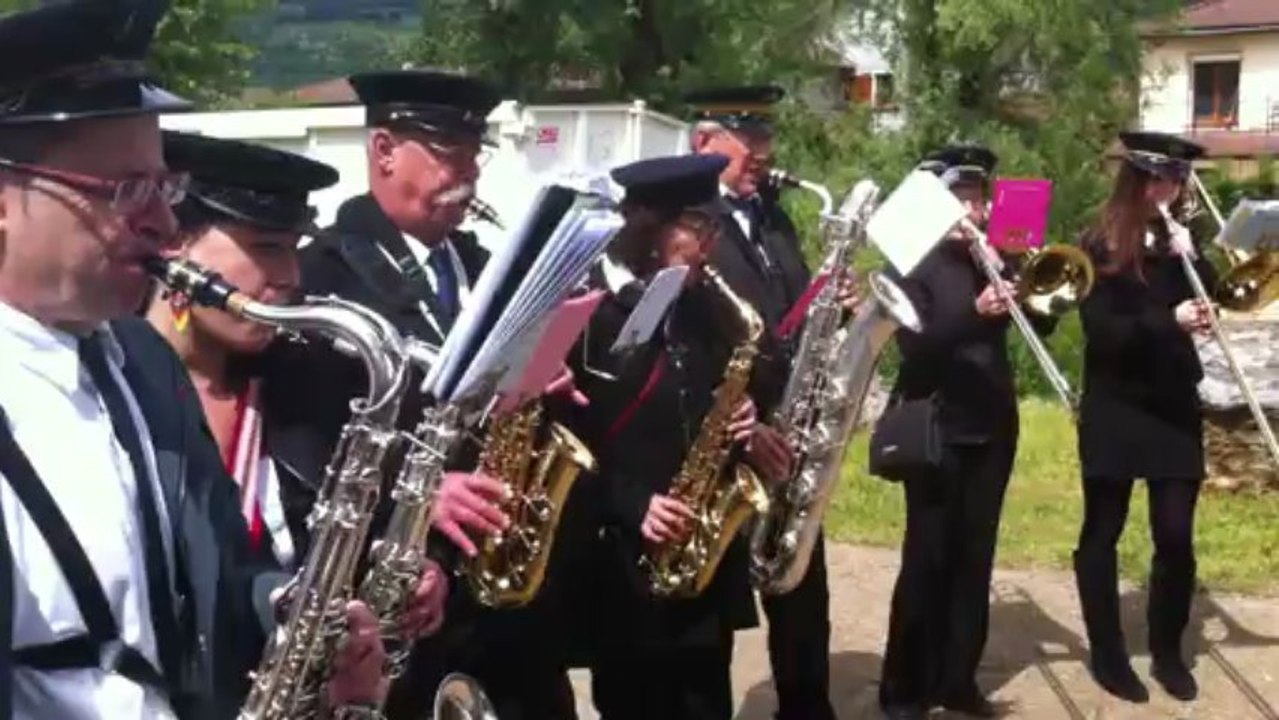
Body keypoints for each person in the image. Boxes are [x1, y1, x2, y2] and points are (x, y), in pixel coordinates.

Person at [0, 2, 387, 718]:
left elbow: (213, 569)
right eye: (125, 191)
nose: (163, 223)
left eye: (163, 187)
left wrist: (288, 611)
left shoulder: (140, 356)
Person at [259, 70, 581, 719]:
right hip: (404, 600)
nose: (469, 173)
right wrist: (417, 497)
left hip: (498, 595)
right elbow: (301, 447)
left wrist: (536, 376)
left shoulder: (484, 265)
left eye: (474, 154)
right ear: (383, 151)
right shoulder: (322, 275)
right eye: (448, 153)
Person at [145, 130, 448, 637]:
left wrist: (412, 569)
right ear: (175, 244)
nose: (290, 276)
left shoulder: (314, 382)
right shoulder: (105, 384)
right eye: (266, 249)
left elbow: (361, 532)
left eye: (293, 250)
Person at [565, 153, 759, 720]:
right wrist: (634, 504)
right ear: (651, 227)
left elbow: (712, 389)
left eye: (714, 231)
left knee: (706, 700)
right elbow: (569, 438)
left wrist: (741, 413)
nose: (710, 247)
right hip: (624, 558)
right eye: (699, 229)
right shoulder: (588, 312)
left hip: (699, 550)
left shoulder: (702, 305)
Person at [876, 145, 1056, 720]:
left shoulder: (993, 259)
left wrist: (1032, 282)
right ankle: (904, 690)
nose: (974, 213)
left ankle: (958, 680)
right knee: (927, 558)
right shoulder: (912, 263)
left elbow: (1043, 326)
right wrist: (976, 312)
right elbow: (916, 346)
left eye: (980, 201)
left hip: (992, 425)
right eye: (962, 200)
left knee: (975, 559)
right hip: (936, 425)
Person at [686, 84, 845, 720]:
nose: (762, 151)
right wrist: (740, 424)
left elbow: (790, 314)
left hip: (790, 431)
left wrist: (834, 307)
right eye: (746, 137)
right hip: (726, 439)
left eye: (765, 136)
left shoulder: (773, 216)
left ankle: (807, 708)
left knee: (803, 590)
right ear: (704, 141)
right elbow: (686, 335)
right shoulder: (691, 219)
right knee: (717, 608)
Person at [1073, 131, 1215, 704]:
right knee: (1103, 530)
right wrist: (1168, 320)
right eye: (1159, 179)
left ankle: (1167, 650)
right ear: (1136, 179)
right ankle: (1108, 653)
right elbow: (1103, 332)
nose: (1169, 191)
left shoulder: (1181, 240)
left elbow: (1211, 299)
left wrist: (1194, 259)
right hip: (1115, 402)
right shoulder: (1098, 243)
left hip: (1173, 403)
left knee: (1176, 535)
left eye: (1177, 181)